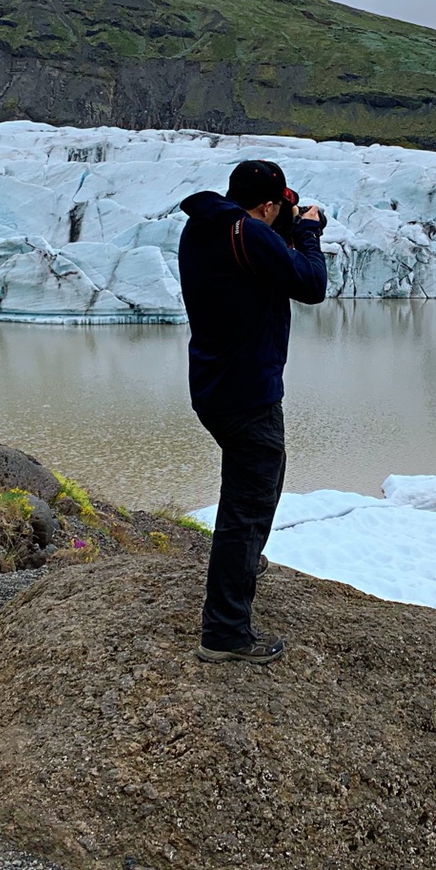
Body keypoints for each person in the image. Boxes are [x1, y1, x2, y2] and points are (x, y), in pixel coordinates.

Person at [178, 159, 327, 664]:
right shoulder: (252, 233)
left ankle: (241, 563)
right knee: (247, 507)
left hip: (214, 388)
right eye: (277, 205)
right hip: (250, 394)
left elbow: (249, 272)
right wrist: (307, 232)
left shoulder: (201, 229)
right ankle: (225, 633)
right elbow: (311, 286)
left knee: (257, 487)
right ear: (267, 204)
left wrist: (278, 229)